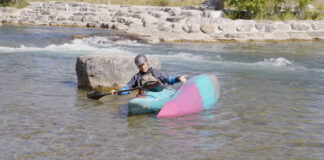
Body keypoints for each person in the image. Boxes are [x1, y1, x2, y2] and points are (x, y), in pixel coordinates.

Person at [111, 54, 187, 95]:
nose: (143, 67)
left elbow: (169, 80)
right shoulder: (137, 77)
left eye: (143, 64)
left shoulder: (156, 72)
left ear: (147, 62)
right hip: (145, 96)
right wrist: (118, 92)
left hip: (159, 94)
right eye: (140, 66)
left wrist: (178, 78)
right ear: (137, 66)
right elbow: (128, 88)